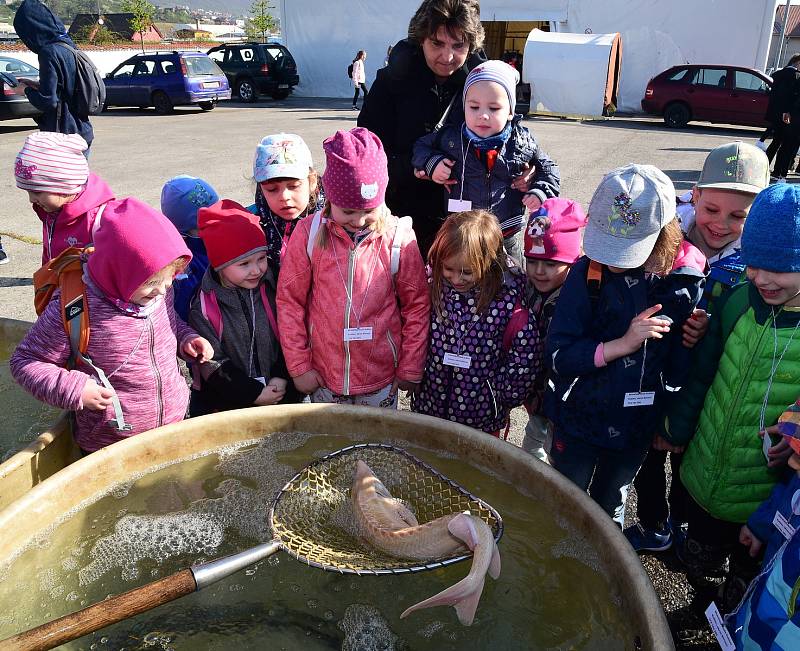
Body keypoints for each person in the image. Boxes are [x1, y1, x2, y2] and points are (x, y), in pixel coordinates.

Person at [628, 141, 771, 553]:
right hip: (654, 365)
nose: (721, 224)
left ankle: (684, 524)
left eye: (738, 216)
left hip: (706, 382)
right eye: (711, 210)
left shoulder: (754, 261)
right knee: (649, 452)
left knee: (689, 456)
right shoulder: (664, 230)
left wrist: (708, 331)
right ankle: (655, 524)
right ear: (696, 195)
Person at [664, 183, 800, 612]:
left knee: (751, 571)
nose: (761, 278)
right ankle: (702, 600)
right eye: (755, 264)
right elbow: (704, 374)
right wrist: (678, 428)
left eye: (778, 268)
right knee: (698, 556)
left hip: (762, 490)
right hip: (707, 467)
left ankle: (730, 613)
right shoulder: (740, 298)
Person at [545, 164, 705, 526]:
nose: (612, 260)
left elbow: (680, 363)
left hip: (636, 425)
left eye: (625, 249)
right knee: (563, 502)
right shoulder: (588, 273)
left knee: (610, 504)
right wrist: (621, 344)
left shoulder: (685, 282)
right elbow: (557, 353)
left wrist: (699, 329)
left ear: (663, 233)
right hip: (579, 418)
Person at [10, 198, 212, 454]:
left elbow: (169, 322)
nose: (163, 289)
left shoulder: (158, 294)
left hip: (174, 422)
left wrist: (185, 338)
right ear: (118, 271)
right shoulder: (76, 306)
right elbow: (26, 361)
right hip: (111, 442)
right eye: (152, 282)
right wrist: (75, 388)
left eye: (169, 278)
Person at [277, 127, 430, 407]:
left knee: (379, 446)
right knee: (330, 444)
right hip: (324, 377)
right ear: (329, 197)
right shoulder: (308, 234)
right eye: (348, 211)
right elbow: (290, 301)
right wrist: (300, 366)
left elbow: (417, 305)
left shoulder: (398, 237)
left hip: (380, 379)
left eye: (368, 211)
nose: (358, 221)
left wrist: (410, 366)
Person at [357, 0, 489, 256]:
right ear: (421, 40)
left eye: (458, 45)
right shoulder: (392, 81)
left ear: (471, 46)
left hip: (462, 223)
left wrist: (523, 170)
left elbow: (508, 138)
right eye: (437, 43)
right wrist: (415, 167)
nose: (448, 57)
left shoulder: (483, 83)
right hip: (399, 217)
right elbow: (365, 153)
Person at [412, 59, 560, 264]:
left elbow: (549, 168)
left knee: (512, 283)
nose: (482, 115)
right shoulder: (451, 138)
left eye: (493, 108)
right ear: (464, 107)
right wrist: (433, 163)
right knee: (462, 281)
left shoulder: (522, 141)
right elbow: (420, 147)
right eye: (474, 107)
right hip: (462, 232)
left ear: (510, 111)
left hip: (506, 233)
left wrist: (539, 190)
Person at [411, 209, 541, 436]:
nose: (456, 279)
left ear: (488, 262)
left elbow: (524, 356)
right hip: (430, 406)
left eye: (467, 272)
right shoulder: (434, 286)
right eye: (449, 269)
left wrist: (502, 395)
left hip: (481, 415)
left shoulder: (507, 301)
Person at [188, 199, 295, 415]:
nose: (256, 270)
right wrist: (252, 392)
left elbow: (292, 333)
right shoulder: (204, 305)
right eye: (244, 264)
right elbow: (212, 361)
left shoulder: (275, 286)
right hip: (228, 403)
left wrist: (281, 376)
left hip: (279, 391)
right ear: (220, 266)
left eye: (261, 258)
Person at [728, 403, 800, 649]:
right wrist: (761, 526)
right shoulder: (797, 480)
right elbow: (786, 493)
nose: (791, 463)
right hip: (758, 612)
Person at [521, 197, 587, 462]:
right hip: (536, 394)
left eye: (551, 264)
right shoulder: (526, 287)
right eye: (532, 261)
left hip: (564, 396)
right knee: (533, 442)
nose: (539, 271)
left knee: (558, 453)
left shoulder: (577, 298)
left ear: (571, 261)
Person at [14, 131, 114, 265]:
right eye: (28, 192)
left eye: (37, 192)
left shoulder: (98, 220)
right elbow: (49, 251)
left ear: (65, 187)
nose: (31, 200)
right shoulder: (51, 211)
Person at [13, 0, 94, 148]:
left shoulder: (48, 52)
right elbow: (66, 88)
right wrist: (37, 85)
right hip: (82, 131)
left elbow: (48, 101)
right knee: (80, 172)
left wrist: (24, 90)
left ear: (32, 30)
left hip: (63, 134)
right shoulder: (68, 46)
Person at [248, 133, 322, 276]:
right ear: (261, 189)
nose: (284, 197)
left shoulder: (330, 220)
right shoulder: (252, 222)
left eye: (293, 186)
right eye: (272, 189)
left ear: (312, 182)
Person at [160, 175, 219, 322]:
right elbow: (182, 307)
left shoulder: (225, 235)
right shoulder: (184, 263)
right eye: (209, 220)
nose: (218, 219)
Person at [757, 53, 800, 167]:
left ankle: (765, 164)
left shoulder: (778, 74)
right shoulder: (795, 76)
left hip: (775, 113)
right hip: (787, 115)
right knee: (785, 144)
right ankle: (778, 168)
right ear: (798, 63)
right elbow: (791, 96)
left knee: (776, 141)